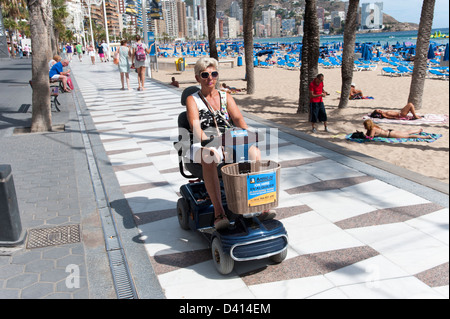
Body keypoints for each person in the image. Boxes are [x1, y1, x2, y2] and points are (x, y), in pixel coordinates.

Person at [185, 57, 274, 230]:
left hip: (229, 141)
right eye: (205, 74)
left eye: (214, 73)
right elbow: (195, 128)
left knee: (254, 152)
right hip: (203, 143)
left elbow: (239, 118)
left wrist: (247, 135)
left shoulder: (225, 96)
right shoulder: (192, 99)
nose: (210, 78)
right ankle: (219, 213)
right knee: (209, 156)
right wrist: (214, 141)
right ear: (198, 78)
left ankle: (258, 204)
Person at [363, 119, 432, 139]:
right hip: (390, 131)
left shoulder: (372, 129)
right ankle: (419, 130)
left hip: (391, 134)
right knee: (407, 132)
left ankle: (426, 137)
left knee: (408, 136)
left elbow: (370, 137)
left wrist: (364, 136)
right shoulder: (374, 127)